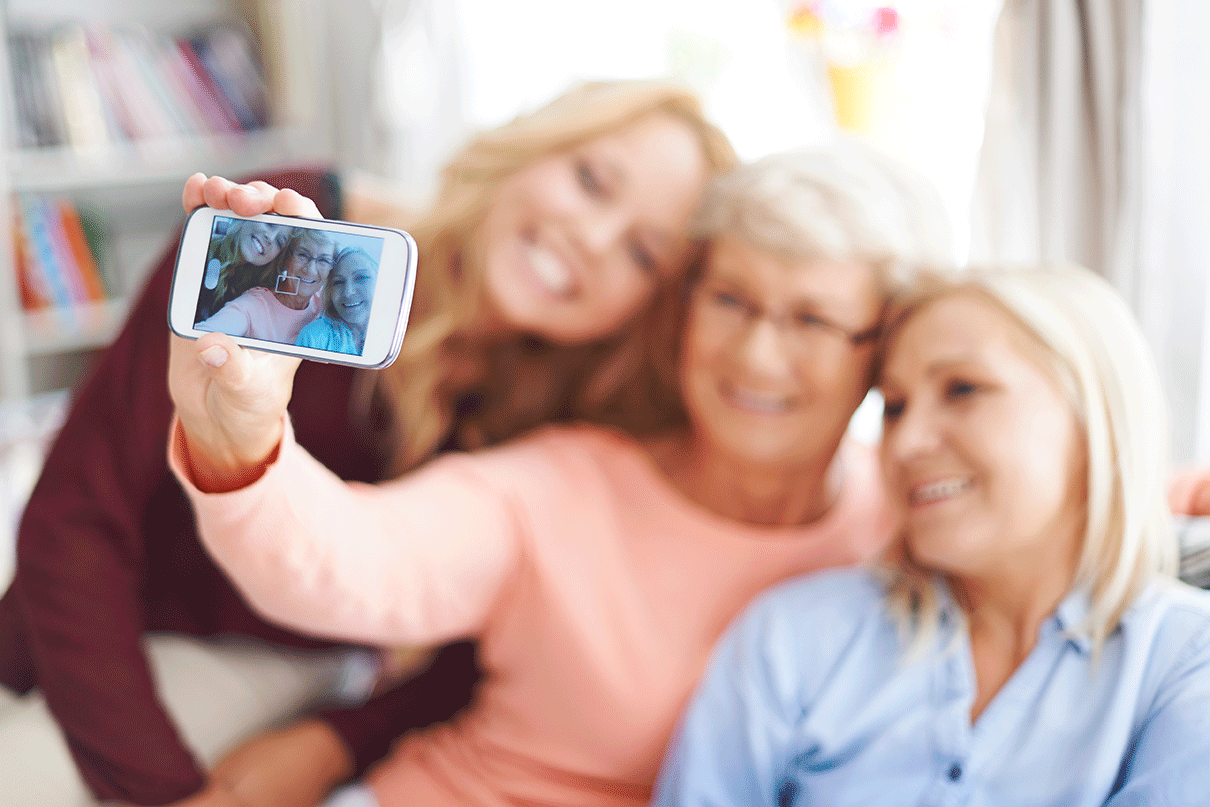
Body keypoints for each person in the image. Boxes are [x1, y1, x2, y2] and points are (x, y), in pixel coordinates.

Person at [0, 78, 736, 807]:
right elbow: (74, 520)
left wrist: (332, 743)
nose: (594, 240)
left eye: (643, 254)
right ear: (529, 144)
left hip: (297, 668)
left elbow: (473, 654)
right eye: (591, 181)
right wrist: (164, 790)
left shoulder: (565, 424)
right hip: (95, 624)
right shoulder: (297, 226)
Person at [165, 144, 954, 807]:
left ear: (882, 349)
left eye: (811, 319)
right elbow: (348, 560)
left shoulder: (914, 525)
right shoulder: (558, 487)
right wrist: (241, 432)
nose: (756, 354)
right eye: (730, 299)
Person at [651, 263, 1210, 807]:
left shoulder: (1186, 663)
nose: (906, 442)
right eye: (893, 408)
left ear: (1094, 418)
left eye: (963, 389)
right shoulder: (792, 638)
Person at [195, 228, 336, 343]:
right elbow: (207, 334)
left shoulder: (325, 304)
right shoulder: (254, 304)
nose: (311, 270)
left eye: (323, 261)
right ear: (286, 259)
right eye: (302, 255)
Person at [194, 218, 295, 322]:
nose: (270, 237)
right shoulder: (202, 254)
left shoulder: (253, 290)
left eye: (279, 242)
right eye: (269, 224)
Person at [296, 247, 379, 355]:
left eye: (361, 277)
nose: (348, 292)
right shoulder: (313, 336)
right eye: (338, 282)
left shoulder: (395, 333)